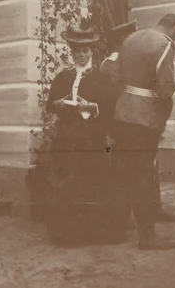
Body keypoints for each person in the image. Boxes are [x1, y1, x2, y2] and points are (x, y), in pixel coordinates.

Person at [43, 21, 125, 246]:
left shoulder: (101, 78)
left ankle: (95, 232)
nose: (81, 55)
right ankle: (69, 233)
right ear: (73, 53)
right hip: (67, 138)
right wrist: (59, 103)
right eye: (78, 51)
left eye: (85, 51)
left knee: (93, 181)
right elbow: (50, 105)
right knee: (68, 182)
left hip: (92, 137)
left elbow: (111, 106)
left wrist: (92, 106)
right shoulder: (63, 77)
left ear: (92, 51)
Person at [96, 21, 175, 226]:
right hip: (134, 118)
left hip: (128, 115)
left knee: (144, 169)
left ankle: (151, 210)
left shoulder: (127, 54)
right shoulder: (108, 63)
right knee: (135, 171)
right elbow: (163, 88)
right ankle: (131, 220)